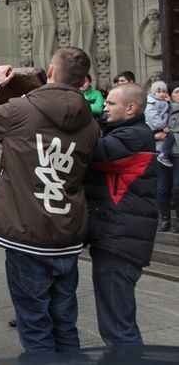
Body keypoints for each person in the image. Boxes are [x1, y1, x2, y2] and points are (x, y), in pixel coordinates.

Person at [0, 47, 99, 353]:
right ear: (83, 80)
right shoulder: (91, 124)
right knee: (64, 323)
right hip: (67, 233)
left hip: (28, 234)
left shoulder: (21, 110)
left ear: (49, 72)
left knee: (34, 325)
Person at [83, 82, 158, 345]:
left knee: (118, 326)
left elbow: (95, 153)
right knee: (116, 319)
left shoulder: (136, 135)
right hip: (116, 235)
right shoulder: (123, 131)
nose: (104, 107)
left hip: (120, 241)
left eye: (111, 103)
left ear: (131, 108)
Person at [157, 81, 179, 233]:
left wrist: (171, 133)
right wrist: (155, 135)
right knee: (162, 188)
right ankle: (165, 219)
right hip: (161, 152)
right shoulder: (159, 108)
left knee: (178, 188)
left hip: (178, 152)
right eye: (177, 91)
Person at [145, 80, 174, 168]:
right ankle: (163, 154)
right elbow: (153, 116)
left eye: (164, 92)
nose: (161, 94)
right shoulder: (151, 102)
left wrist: (169, 102)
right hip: (154, 127)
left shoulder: (163, 101)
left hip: (159, 126)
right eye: (159, 92)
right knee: (170, 136)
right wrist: (163, 126)